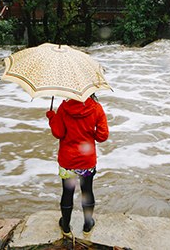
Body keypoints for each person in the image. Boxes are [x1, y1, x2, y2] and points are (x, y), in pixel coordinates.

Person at [46, 94, 109, 236]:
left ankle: (66, 225)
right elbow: (102, 136)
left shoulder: (63, 108)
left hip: (68, 161)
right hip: (87, 161)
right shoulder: (96, 108)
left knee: (67, 193)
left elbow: (59, 133)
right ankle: (87, 224)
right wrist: (90, 132)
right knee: (87, 191)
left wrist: (52, 117)